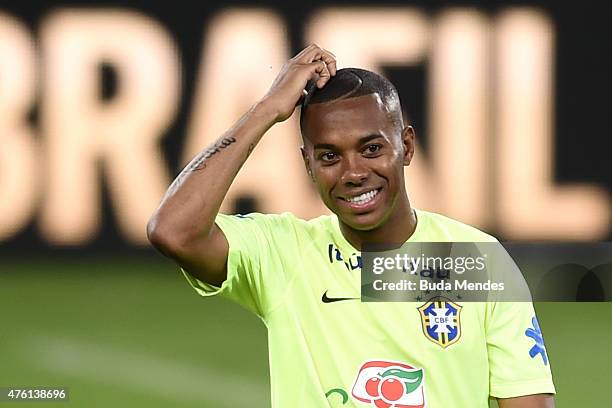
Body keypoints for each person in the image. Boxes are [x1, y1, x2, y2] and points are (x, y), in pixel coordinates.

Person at [147, 44, 555, 407]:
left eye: (372, 148)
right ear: (307, 165)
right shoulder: (285, 254)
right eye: (329, 157)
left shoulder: (476, 261)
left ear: (406, 147)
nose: (354, 172)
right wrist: (268, 109)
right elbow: (174, 231)